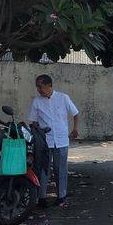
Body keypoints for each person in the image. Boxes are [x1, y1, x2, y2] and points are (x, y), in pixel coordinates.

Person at [28, 75, 79, 207]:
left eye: (41, 86)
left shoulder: (63, 98)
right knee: (43, 170)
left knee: (60, 169)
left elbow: (75, 113)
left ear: (49, 85)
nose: (38, 89)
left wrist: (75, 128)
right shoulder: (36, 102)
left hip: (61, 140)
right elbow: (33, 122)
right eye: (37, 87)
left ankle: (61, 196)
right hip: (44, 141)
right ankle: (42, 198)